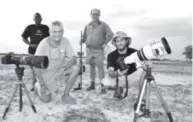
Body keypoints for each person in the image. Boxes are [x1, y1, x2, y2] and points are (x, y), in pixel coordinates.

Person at [34, 21, 80, 104]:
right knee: (46, 100)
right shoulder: (44, 43)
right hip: (46, 72)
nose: (57, 34)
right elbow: (35, 66)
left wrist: (64, 68)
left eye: (60, 31)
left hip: (59, 71)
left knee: (76, 68)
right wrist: (42, 84)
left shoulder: (65, 41)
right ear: (50, 32)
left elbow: (74, 59)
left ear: (63, 32)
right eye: (54, 32)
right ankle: (37, 86)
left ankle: (65, 95)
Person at [101, 31, 146, 97]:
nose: (120, 43)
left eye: (122, 40)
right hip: (119, 77)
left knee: (144, 71)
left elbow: (144, 63)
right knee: (104, 83)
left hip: (133, 78)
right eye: (117, 41)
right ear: (115, 43)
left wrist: (146, 63)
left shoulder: (135, 52)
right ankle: (119, 88)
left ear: (126, 41)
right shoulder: (111, 55)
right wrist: (118, 73)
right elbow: (110, 72)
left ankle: (142, 98)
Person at [81, 8, 114, 93]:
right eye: (93, 14)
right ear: (90, 15)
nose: (95, 16)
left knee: (100, 68)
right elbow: (84, 37)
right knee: (91, 67)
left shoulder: (103, 25)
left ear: (99, 15)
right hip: (89, 50)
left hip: (99, 50)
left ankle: (102, 86)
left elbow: (111, 34)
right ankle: (92, 85)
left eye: (97, 14)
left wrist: (105, 43)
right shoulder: (87, 26)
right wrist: (82, 40)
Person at [21, 12, 49, 91]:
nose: (37, 19)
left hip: (43, 51)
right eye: (36, 17)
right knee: (33, 69)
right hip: (32, 51)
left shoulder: (45, 28)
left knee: (43, 68)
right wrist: (30, 44)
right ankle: (34, 85)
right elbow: (23, 38)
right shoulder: (30, 27)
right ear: (33, 19)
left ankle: (42, 86)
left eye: (39, 17)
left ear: (41, 19)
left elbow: (49, 39)